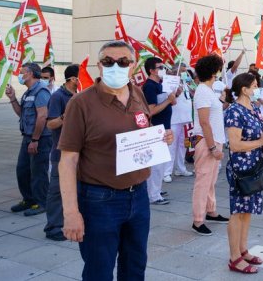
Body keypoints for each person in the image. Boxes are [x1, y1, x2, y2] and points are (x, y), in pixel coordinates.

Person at [59, 40, 174, 280]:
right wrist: (71, 212)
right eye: (108, 62)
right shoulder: (80, 104)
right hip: (99, 201)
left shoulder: (137, 93)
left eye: (123, 62)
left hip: (139, 197)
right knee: (98, 271)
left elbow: (144, 129)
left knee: (135, 266)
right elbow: (68, 160)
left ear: (133, 66)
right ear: (99, 66)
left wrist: (160, 138)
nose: (116, 66)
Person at [224, 73, 263, 274]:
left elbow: (261, 134)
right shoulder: (234, 111)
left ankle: (243, 249)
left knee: (248, 210)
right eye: (254, 86)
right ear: (244, 89)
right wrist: (260, 143)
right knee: (238, 211)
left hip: (256, 165)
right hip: (242, 168)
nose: (256, 89)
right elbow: (234, 144)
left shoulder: (255, 108)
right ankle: (234, 257)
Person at [5, 62, 51, 216]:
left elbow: (42, 116)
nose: (20, 74)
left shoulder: (41, 91)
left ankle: (42, 202)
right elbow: (21, 114)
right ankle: (29, 199)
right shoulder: (28, 92)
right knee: (22, 170)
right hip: (28, 138)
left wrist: (35, 140)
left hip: (40, 139)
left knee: (38, 172)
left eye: (22, 71)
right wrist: (12, 98)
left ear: (30, 74)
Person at [191, 55, 230, 236]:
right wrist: (213, 147)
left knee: (211, 180)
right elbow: (204, 122)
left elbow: (214, 114)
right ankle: (198, 220)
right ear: (214, 71)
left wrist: (224, 102)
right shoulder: (202, 91)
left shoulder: (209, 90)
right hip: (207, 142)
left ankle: (211, 210)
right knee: (203, 181)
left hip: (215, 140)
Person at [44, 64, 79, 241]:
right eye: (80, 78)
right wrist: (66, 116)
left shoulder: (79, 96)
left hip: (78, 153)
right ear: (73, 79)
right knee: (57, 191)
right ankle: (53, 227)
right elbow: (50, 124)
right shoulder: (58, 97)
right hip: (60, 153)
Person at [142, 57, 178, 205]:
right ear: (151, 70)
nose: (163, 69)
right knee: (156, 165)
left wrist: (173, 96)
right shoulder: (149, 86)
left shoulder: (161, 84)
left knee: (162, 162)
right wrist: (168, 101)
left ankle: (155, 189)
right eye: (160, 67)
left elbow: (172, 102)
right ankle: (153, 195)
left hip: (165, 127)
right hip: (156, 128)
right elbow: (151, 111)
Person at [166, 63, 194, 180]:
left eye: (185, 71)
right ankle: (166, 172)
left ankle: (180, 168)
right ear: (174, 72)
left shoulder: (185, 83)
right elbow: (169, 99)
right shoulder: (170, 82)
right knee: (171, 146)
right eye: (182, 71)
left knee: (183, 145)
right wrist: (176, 92)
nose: (185, 73)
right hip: (174, 119)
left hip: (186, 119)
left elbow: (190, 96)